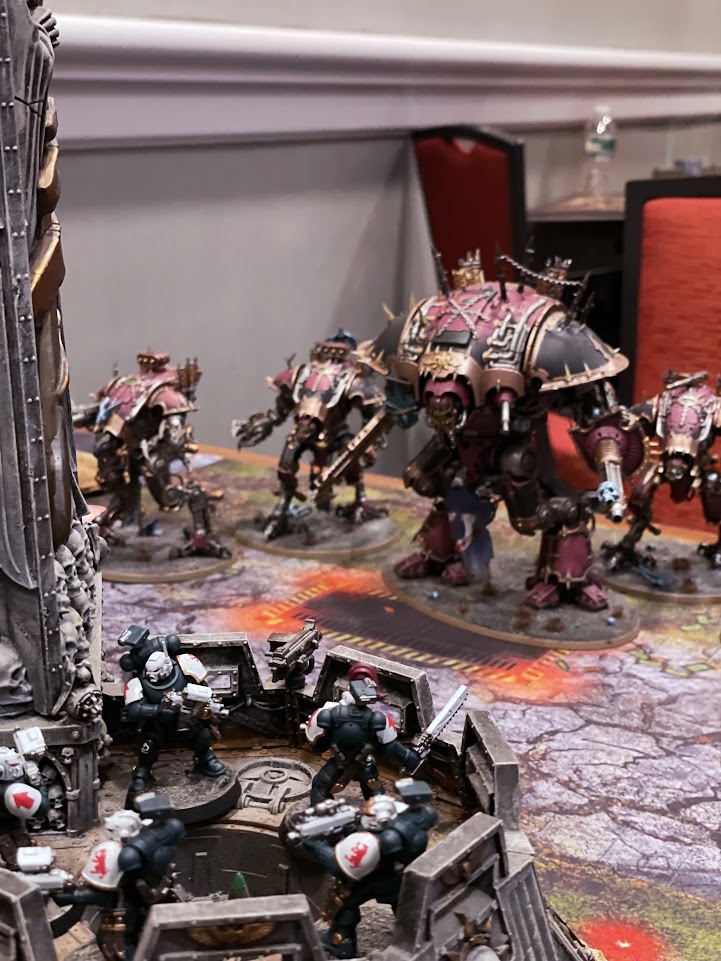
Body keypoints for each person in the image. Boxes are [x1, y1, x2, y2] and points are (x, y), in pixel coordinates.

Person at [298, 779, 437, 959]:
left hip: (377, 877)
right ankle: (414, 935)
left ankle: (341, 942)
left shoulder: (385, 840)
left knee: (344, 902)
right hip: (402, 876)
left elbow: (340, 866)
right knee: (404, 906)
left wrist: (314, 845)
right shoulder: (421, 818)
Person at [305, 663, 423, 804]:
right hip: (365, 766)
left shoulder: (328, 713)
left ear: (349, 689)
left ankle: (321, 815)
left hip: (338, 764)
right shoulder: (378, 719)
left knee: (320, 787)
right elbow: (390, 748)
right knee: (374, 793)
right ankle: (380, 815)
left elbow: (316, 745)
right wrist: (410, 758)